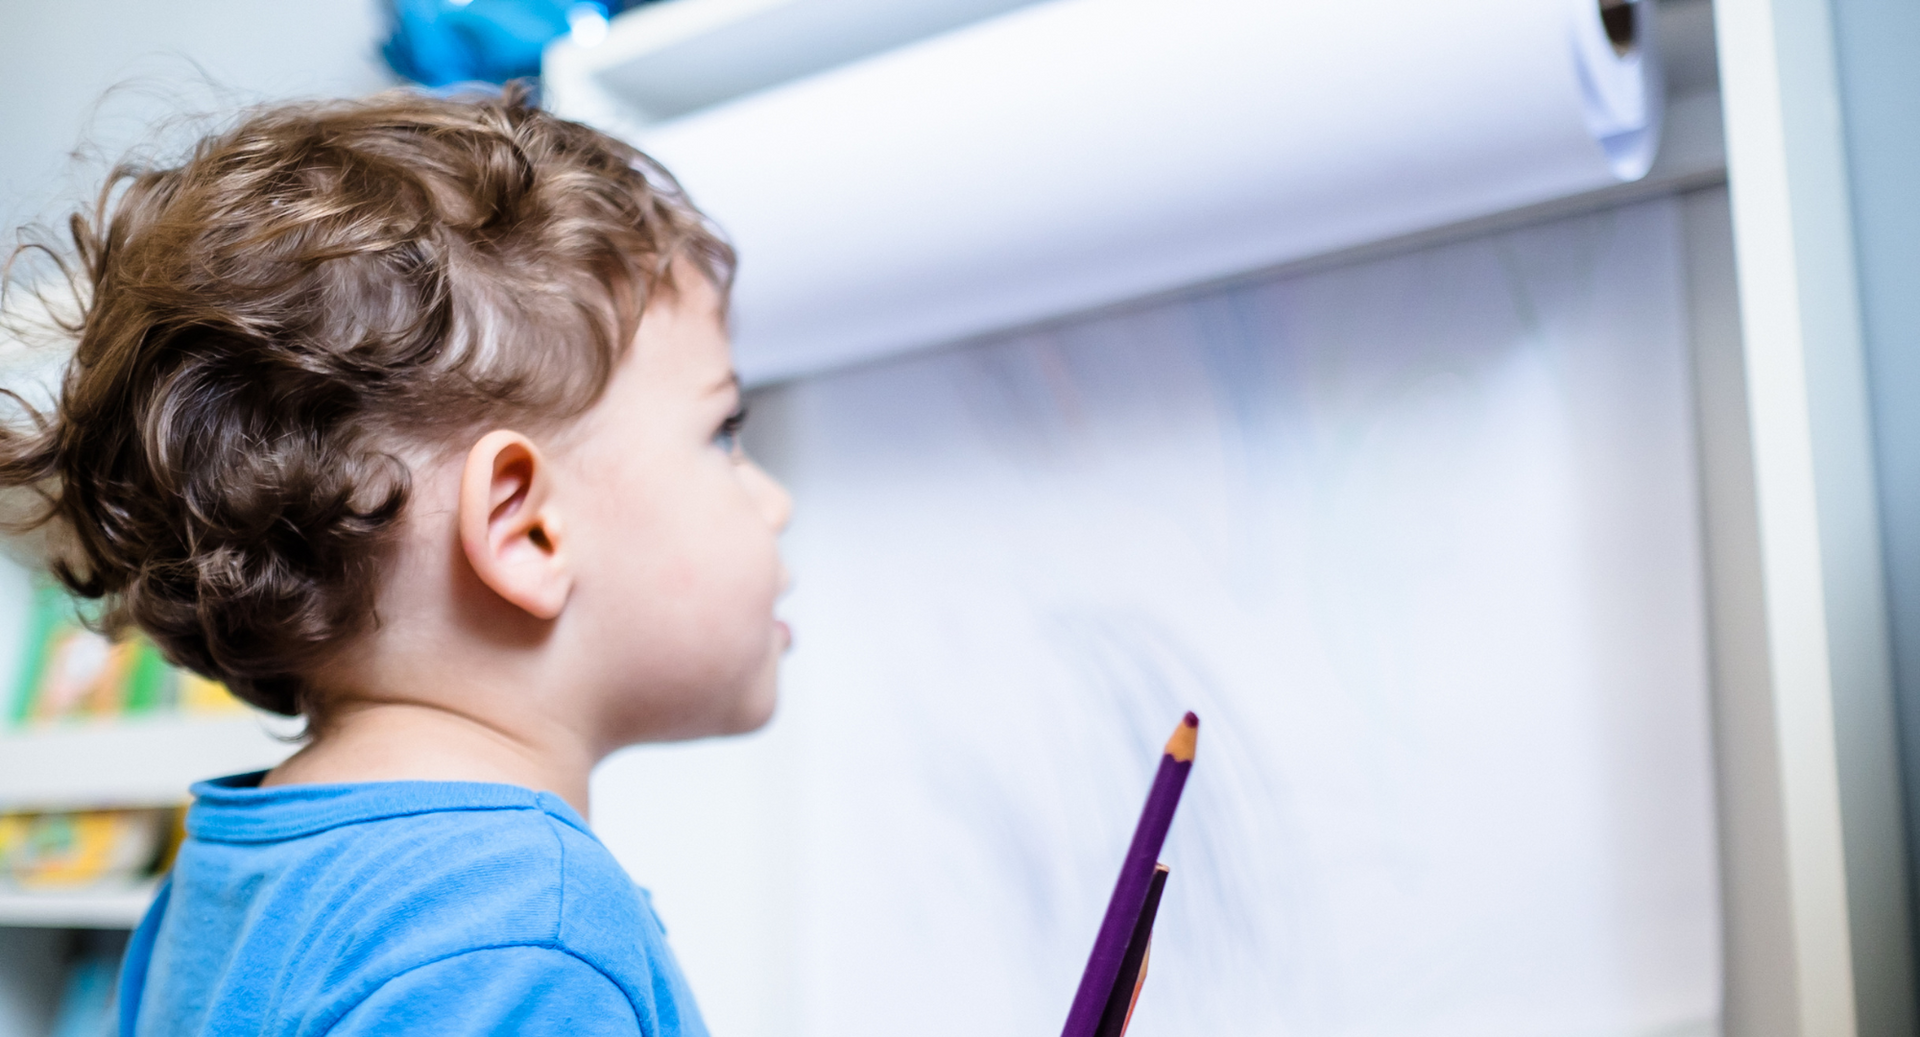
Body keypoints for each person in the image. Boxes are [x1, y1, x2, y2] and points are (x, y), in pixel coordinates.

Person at [0, 83, 791, 1035]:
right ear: (525, 529)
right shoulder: (521, 942)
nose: (774, 500)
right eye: (723, 431)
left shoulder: (232, 874)